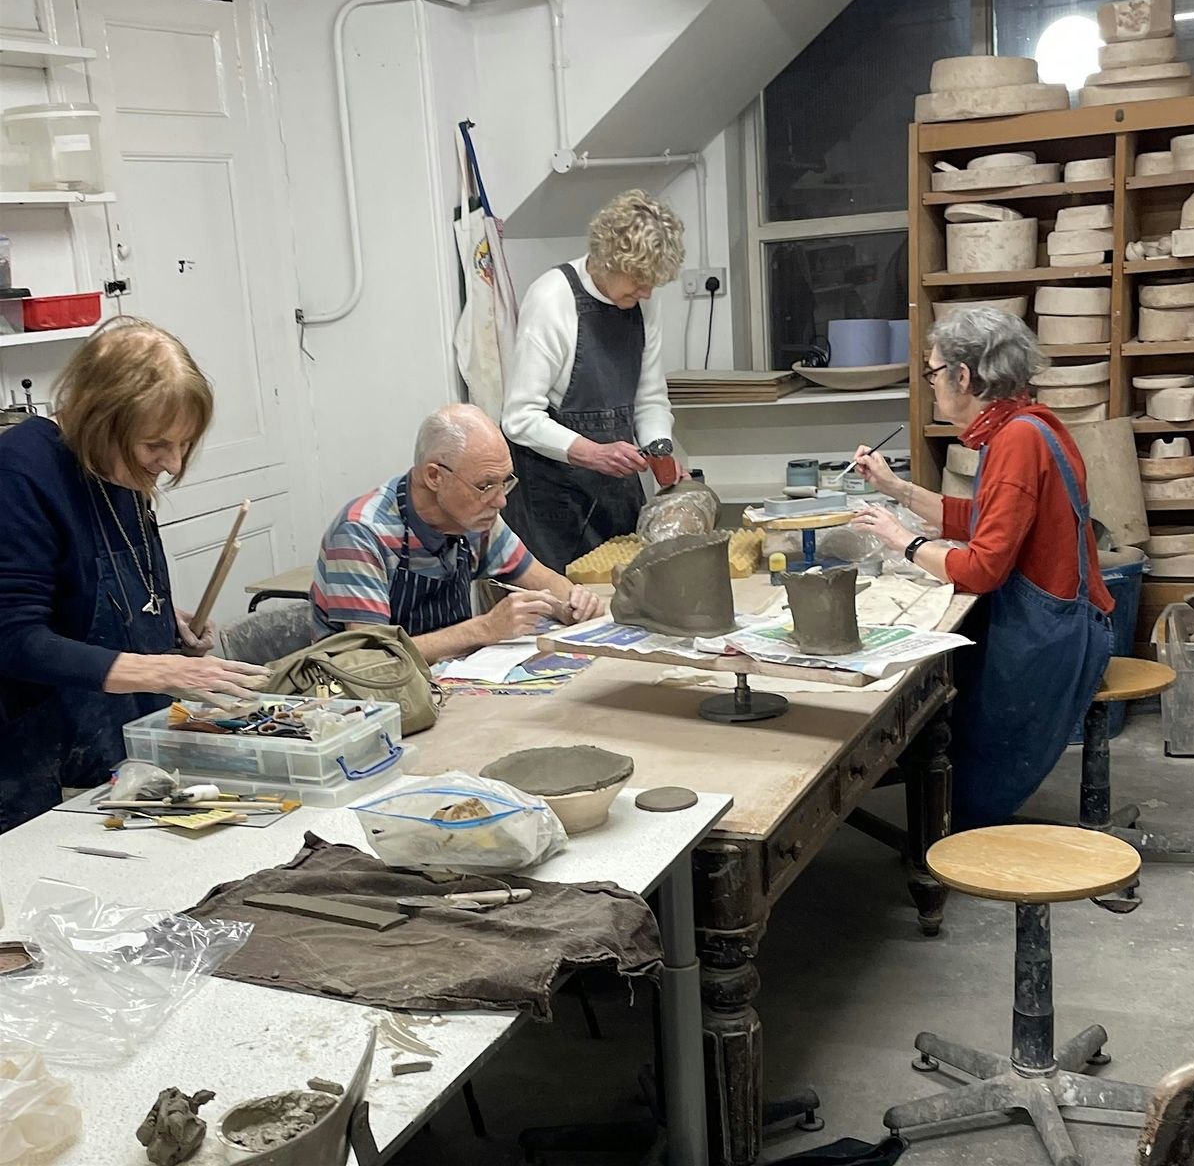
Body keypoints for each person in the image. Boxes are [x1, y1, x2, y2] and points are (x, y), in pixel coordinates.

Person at [0, 318, 270, 831]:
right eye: (155, 446)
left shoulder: (116, 464)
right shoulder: (20, 473)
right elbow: (14, 638)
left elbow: (87, 591)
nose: (171, 464)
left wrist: (162, 617)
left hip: (124, 740)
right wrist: (166, 671)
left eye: (184, 444)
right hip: (40, 759)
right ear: (97, 420)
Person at [848, 308, 1114, 830]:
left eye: (932, 372)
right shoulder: (1027, 425)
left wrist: (903, 541)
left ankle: (948, 838)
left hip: (1057, 634)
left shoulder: (1017, 441)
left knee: (967, 785)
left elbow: (983, 568)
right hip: (1060, 621)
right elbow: (987, 520)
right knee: (944, 708)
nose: (931, 386)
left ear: (963, 377)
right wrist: (898, 490)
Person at [311, 404, 603, 664]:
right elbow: (369, 658)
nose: (501, 500)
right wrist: (485, 629)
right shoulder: (362, 534)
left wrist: (571, 604)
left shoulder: (476, 519)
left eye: (505, 482)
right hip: (370, 700)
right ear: (435, 476)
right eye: (486, 485)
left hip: (445, 678)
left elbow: (543, 580)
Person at [502, 188, 687, 572]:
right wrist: (592, 452)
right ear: (606, 259)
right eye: (638, 279)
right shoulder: (552, 299)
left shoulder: (640, 303)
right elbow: (519, 418)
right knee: (570, 608)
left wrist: (660, 448)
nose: (646, 291)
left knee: (631, 594)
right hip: (553, 498)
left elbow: (650, 398)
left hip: (615, 488)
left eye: (652, 283)